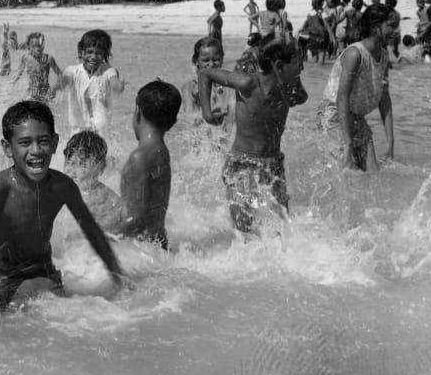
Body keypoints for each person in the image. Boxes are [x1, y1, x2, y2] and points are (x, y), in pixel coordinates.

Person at [0, 101, 126, 311]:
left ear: (55, 142)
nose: (36, 151)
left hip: (45, 275)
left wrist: (119, 279)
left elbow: (93, 233)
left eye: (43, 141)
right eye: (25, 142)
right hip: (3, 281)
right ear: (7, 148)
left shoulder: (62, 186)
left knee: (69, 317)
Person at [198, 39, 308, 234]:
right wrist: (207, 113)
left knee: (282, 227)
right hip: (242, 164)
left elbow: (302, 98)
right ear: (280, 67)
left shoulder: (288, 89)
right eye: (298, 64)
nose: (302, 67)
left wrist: (294, 78)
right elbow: (205, 74)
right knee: (244, 228)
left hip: (273, 164)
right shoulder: (247, 82)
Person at [318, 4, 397, 172]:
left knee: (373, 174)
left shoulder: (383, 54)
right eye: (391, 25)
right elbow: (342, 97)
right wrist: (347, 143)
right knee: (348, 175)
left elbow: (384, 98)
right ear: (376, 27)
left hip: (356, 117)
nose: (396, 31)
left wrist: (390, 143)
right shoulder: (355, 54)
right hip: (334, 115)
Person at [115, 80, 180, 248]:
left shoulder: (140, 157)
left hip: (143, 252)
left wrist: (97, 236)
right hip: (157, 247)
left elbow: (137, 220)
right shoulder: (160, 152)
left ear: (137, 112)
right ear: (173, 122)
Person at [55, 29, 127, 135]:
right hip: (77, 131)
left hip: (100, 132)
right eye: (89, 52)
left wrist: (118, 86)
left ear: (104, 55)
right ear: (81, 53)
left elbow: (114, 81)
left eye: (98, 53)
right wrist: (56, 86)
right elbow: (63, 82)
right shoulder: (72, 71)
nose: (93, 57)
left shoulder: (107, 71)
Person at [61, 131, 122, 233]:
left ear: (100, 167)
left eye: (83, 164)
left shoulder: (104, 201)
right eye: (70, 162)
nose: (73, 171)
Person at [182, 37, 233, 125]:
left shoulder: (229, 84)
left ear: (222, 58)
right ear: (196, 61)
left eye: (216, 60)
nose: (211, 64)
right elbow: (189, 115)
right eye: (206, 60)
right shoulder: (191, 87)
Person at [11, 31, 61, 103]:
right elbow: (19, 72)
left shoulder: (49, 59)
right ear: (29, 47)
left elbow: (60, 74)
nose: (38, 48)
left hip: (45, 94)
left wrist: (56, 88)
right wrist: (12, 82)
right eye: (35, 45)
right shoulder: (26, 58)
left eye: (40, 45)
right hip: (31, 93)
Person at [299, 0, 330, 64]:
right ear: (321, 3)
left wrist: (299, 33)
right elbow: (327, 26)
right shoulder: (322, 13)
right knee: (321, 62)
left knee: (316, 60)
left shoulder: (309, 13)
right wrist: (333, 38)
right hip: (321, 38)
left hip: (311, 37)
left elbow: (304, 25)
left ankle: (313, 72)